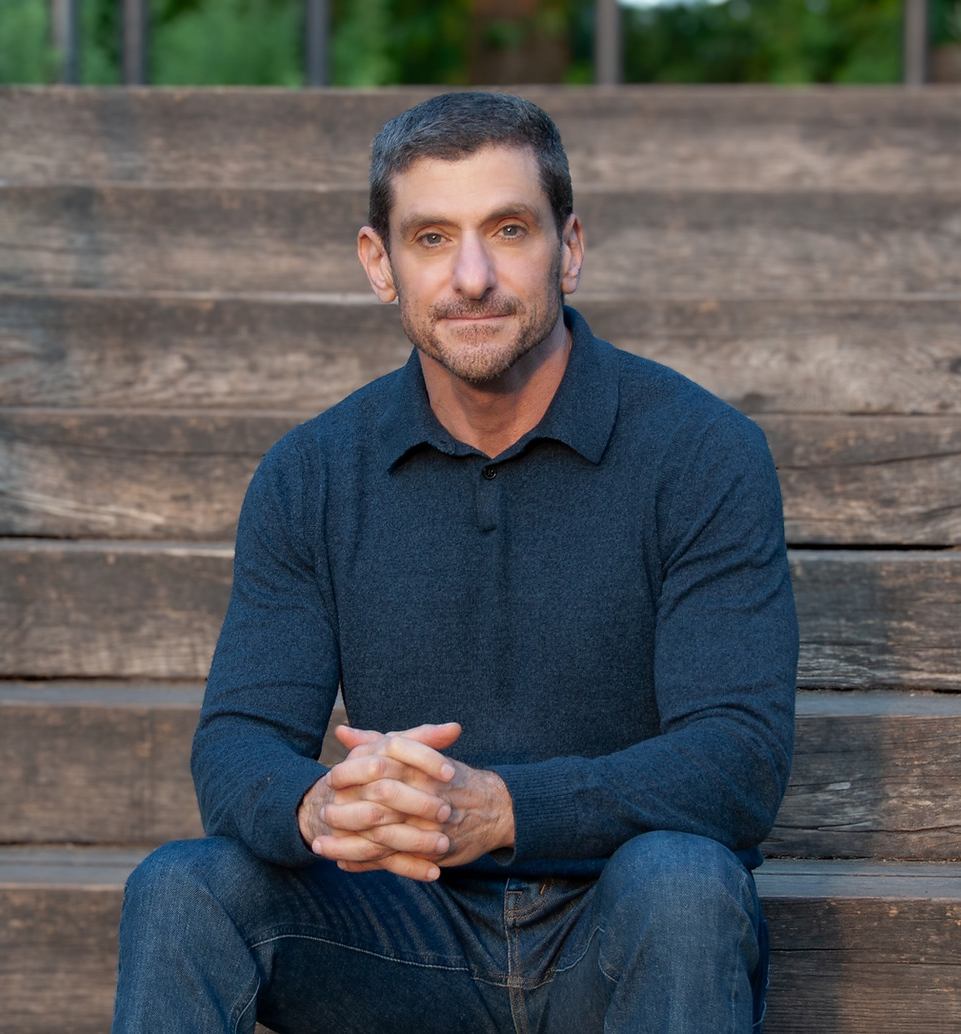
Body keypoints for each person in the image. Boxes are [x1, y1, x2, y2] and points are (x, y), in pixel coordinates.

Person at [111, 91, 798, 1034]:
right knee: (184, 886)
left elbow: (737, 763)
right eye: (432, 237)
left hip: (620, 922)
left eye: (507, 229)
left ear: (570, 246)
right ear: (379, 265)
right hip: (397, 929)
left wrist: (506, 808)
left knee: (684, 880)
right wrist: (319, 805)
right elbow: (235, 745)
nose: (471, 276)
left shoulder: (701, 452)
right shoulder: (311, 474)